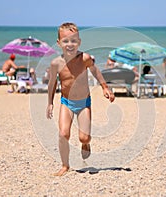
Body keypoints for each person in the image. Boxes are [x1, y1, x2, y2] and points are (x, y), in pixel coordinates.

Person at [46, 22, 115, 176]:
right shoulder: (55, 63)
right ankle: (65, 165)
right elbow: (52, 84)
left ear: (79, 42)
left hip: (84, 103)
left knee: (84, 137)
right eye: (65, 41)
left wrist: (105, 87)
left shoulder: (85, 58)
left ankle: (86, 144)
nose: (69, 44)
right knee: (64, 134)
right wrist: (50, 103)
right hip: (66, 103)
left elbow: (96, 71)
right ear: (59, 43)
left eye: (73, 40)